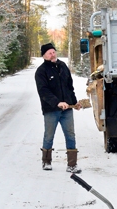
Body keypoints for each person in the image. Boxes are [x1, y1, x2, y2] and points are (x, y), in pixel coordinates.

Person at [35, 42, 82, 173]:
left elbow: (69, 87)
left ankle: (72, 164)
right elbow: (43, 91)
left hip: (67, 109)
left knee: (70, 135)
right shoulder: (41, 71)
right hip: (51, 110)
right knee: (49, 136)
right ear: (44, 56)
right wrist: (57, 102)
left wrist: (74, 102)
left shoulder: (63, 66)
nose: (52, 54)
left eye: (53, 52)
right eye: (49, 53)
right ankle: (46, 162)